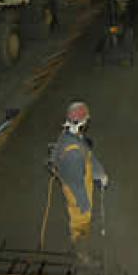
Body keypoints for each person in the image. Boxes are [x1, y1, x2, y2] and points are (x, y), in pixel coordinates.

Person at [50, 101, 109, 261]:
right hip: (77, 191)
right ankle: (82, 254)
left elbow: (88, 155)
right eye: (86, 122)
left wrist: (99, 173)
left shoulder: (74, 137)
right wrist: (84, 204)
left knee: (84, 220)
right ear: (80, 123)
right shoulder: (73, 153)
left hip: (82, 178)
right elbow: (76, 184)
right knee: (80, 222)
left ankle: (83, 247)